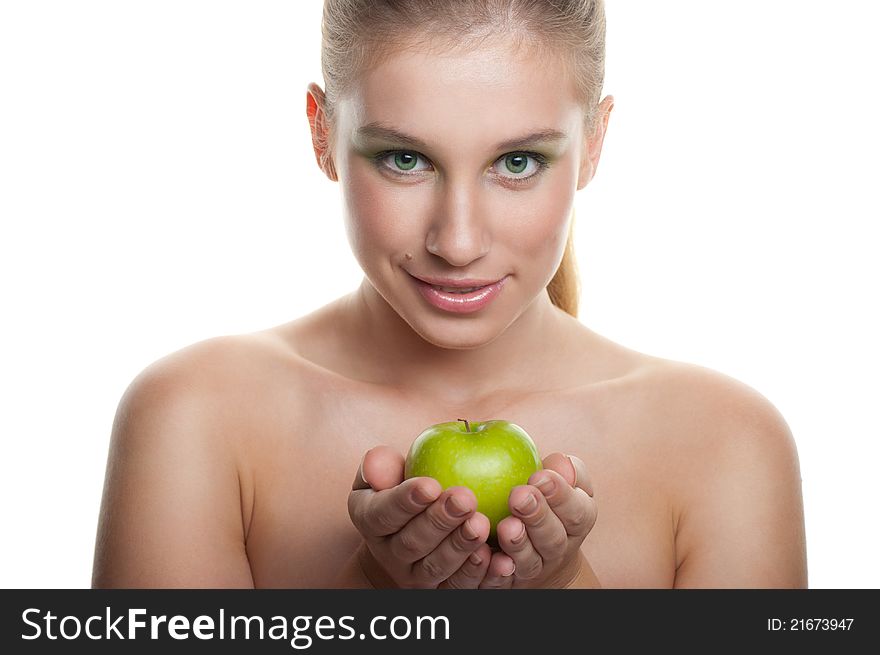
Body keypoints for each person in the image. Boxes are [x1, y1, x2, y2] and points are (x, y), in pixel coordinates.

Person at [91, 0, 807, 589]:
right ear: (321, 133)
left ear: (593, 143)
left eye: (518, 162)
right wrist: (371, 588)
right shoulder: (193, 418)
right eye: (405, 159)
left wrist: (565, 597)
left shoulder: (726, 443)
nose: (458, 241)